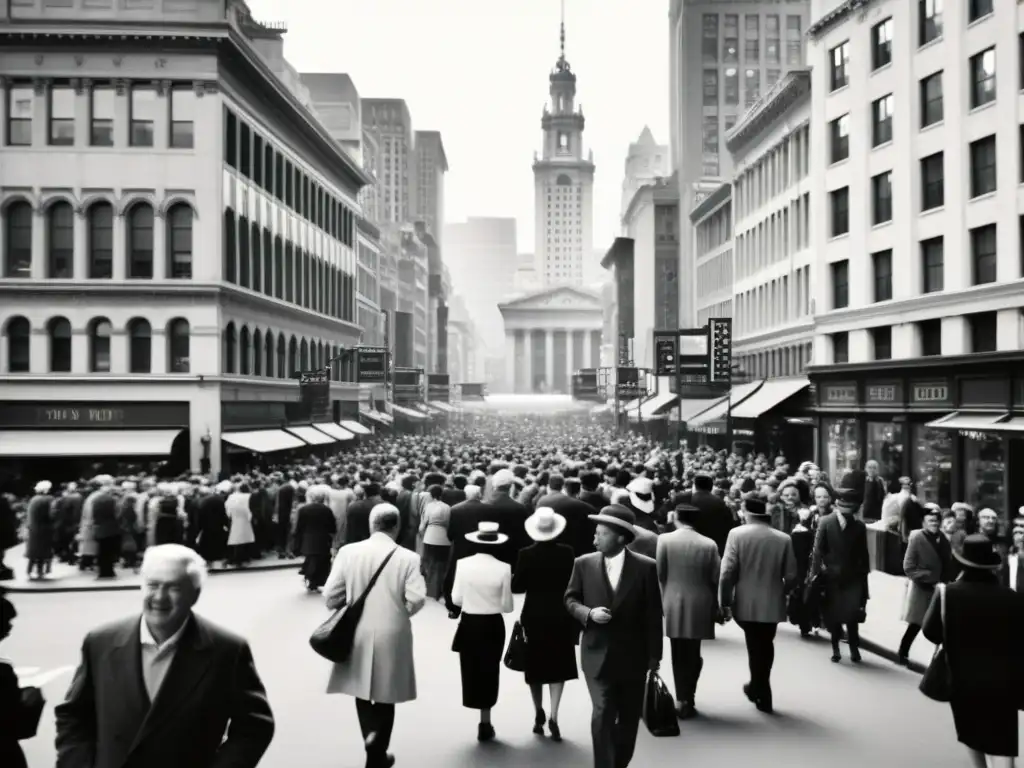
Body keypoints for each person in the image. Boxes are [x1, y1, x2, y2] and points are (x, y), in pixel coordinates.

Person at [54, 544, 275, 768]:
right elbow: (74, 716)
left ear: (195, 594)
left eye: (174, 588)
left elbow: (254, 726)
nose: (160, 597)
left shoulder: (227, 650)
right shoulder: (100, 642)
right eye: (153, 585)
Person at [323, 503, 426, 768]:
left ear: (372, 525)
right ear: (396, 526)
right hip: (393, 630)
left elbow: (330, 595)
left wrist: (346, 603)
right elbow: (416, 598)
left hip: (356, 629)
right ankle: (378, 748)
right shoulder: (408, 558)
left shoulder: (348, 552)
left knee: (361, 689)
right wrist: (400, 612)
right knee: (386, 692)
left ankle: (370, 739)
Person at [564, 504, 663, 768]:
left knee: (629, 717)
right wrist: (588, 613)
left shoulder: (646, 567)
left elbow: (654, 614)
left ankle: (619, 763)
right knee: (603, 711)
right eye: (595, 533)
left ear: (621, 536)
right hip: (596, 653)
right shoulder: (582, 564)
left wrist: (655, 657)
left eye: (601, 534)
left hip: (634, 656)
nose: (594, 539)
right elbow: (570, 599)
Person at [922, 534, 1024, 768]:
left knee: (972, 733)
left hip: (962, 680)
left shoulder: (947, 594)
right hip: (1004, 683)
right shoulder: (1013, 599)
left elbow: (931, 632)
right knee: (1002, 742)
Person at [719, 497, 797, 714]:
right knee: (764, 644)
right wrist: (782, 590)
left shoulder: (737, 534)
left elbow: (727, 572)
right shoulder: (783, 538)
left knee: (755, 645)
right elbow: (791, 575)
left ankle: (760, 689)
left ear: (745, 511)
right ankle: (760, 688)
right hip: (772, 601)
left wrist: (724, 601)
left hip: (745, 601)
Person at [511, 507, 579, 741]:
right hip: (561, 612)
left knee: (535, 664)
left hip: (534, 613)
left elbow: (517, 587)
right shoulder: (567, 552)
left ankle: (538, 711)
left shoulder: (526, 554)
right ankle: (554, 714)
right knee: (558, 665)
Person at [450, 521, 514, 742]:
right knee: (490, 670)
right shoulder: (504, 568)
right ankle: (485, 720)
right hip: (492, 625)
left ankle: (479, 711)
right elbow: (507, 606)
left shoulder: (463, 564)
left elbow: (456, 598)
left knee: (472, 669)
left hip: (469, 623)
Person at [656, 503, 721, 719]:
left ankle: (682, 698)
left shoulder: (664, 540)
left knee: (678, 652)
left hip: (673, 599)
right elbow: (715, 577)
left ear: (676, 517)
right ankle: (689, 694)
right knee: (694, 651)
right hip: (701, 601)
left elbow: (660, 572)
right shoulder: (709, 544)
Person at [808, 476, 871, 664]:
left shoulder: (859, 526)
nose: (847, 513)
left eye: (850, 509)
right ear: (837, 505)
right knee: (834, 616)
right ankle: (835, 648)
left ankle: (854, 648)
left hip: (853, 578)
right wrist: (813, 575)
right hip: (832, 578)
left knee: (852, 616)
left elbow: (864, 555)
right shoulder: (826, 522)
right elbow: (817, 551)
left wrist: (864, 581)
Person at [898, 505, 953, 666]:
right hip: (922, 589)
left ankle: (940, 660)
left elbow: (948, 564)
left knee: (943, 626)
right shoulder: (917, 538)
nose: (934, 524)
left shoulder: (943, 540)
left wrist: (947, 581)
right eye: (930, 521)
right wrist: (928, 578)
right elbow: (908, 567)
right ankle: (903, 652)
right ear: (923, 522)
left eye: (936, 521)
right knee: (915, 624)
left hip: (940, 589)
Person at [1, 587, 45, 768]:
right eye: (5, 621)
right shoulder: (2, 673)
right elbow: (15, 725)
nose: (10, 626)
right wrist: (31, 702)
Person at [293, 484, 337, 592]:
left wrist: (297, 539)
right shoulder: (327, 510)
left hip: (308, 538)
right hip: (323, 539)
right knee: (321, 560)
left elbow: (299, 526)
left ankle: (310, 578)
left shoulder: (304, 509)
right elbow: (332, 526)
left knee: (311, 558)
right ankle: (317, 580)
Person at [418, 484, 452, 600]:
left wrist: (423, 536)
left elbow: (422, 525)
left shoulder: (428, 506)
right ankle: (439, 590)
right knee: (441, 565)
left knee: (429, 563)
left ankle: (429, 590)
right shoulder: (447, 507)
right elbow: (448, 524)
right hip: (444, 538)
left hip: (430, 536)